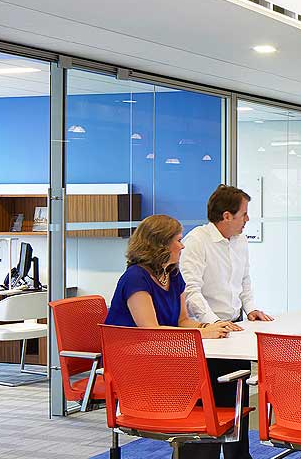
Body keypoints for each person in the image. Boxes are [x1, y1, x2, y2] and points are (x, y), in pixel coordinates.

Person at [180, 185, 272, 459]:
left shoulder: (240, 241)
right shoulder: (197, 242)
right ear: (226, 215)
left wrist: (250, 308)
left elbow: (244, 280)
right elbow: (191, 290)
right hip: (207, 330)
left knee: (236, 397)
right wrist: (212, 322)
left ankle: (238, 455)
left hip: (234, 325)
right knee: (211, 403)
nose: (247, 219)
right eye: (244, 214)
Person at [104, 214, 234, 339]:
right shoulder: (135, 278)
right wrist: (202, 333)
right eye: (178, 240)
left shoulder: (173, 274)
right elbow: (150, 330)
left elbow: (182, 321)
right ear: (161, 244)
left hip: (160, 347)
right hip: (128, 349)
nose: (182, 246)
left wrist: (208, 327)